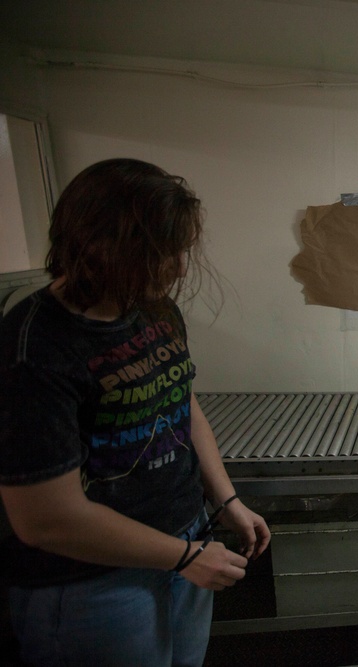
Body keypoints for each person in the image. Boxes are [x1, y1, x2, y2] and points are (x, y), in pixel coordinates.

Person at [0, 158, 271, 667]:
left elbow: (180, 402)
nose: (180, 268)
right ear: (104, 247)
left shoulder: (153, 307)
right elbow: (45, 520)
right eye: (163, 253)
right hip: (93, 584)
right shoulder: (34, 347)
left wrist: (227, 498)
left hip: (187, 544)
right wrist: (185, 557)